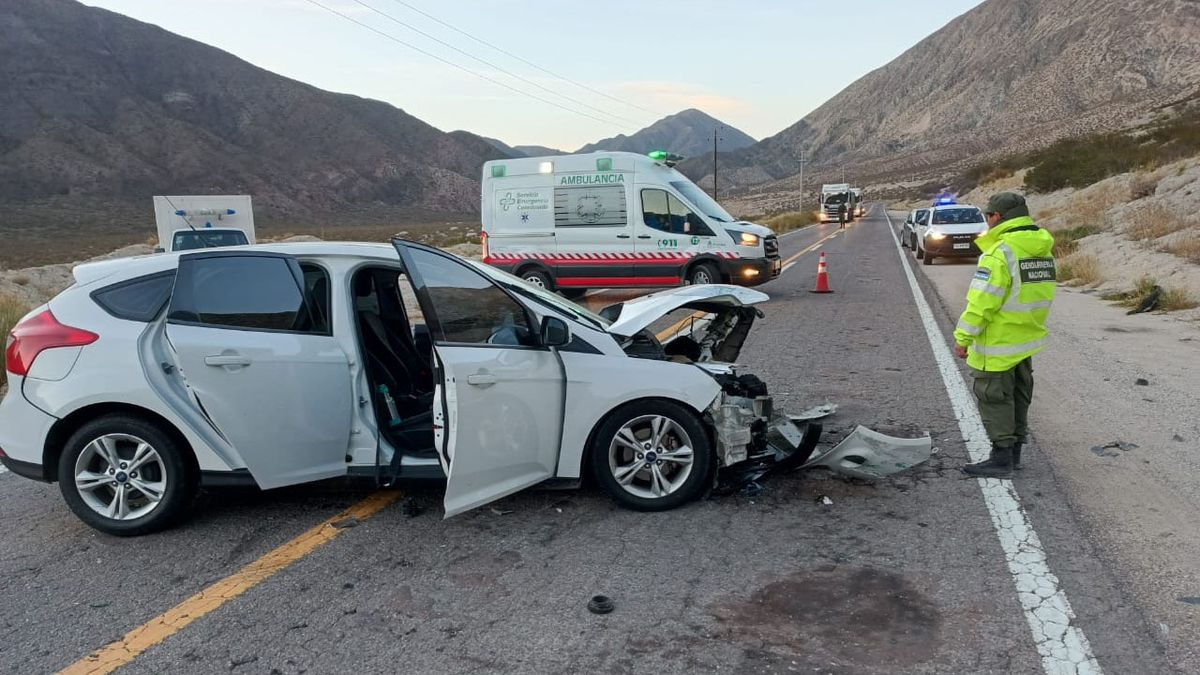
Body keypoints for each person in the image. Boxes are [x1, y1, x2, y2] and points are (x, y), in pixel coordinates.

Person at [952, 192, 1056, 478]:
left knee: (994, 397)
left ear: (997, 217)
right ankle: (1015, 452)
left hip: (998, 340)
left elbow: (982, 302)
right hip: (1026, 337)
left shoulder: (1000, 253)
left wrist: (964, 338)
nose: (986, 221)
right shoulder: (1042, 250)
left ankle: (1001, 459)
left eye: (988, 215)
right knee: (1019, 395)